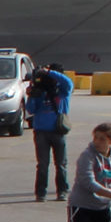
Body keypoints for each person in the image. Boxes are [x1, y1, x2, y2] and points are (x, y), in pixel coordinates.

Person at [26, 63, 74, 201]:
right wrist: (32, 95)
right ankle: (41, 193)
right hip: (41, 131)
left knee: (61, 164)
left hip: (58, 130)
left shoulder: (63, 91)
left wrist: (47, 72)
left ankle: (62, 191)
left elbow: (67, 82)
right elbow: (30, 109)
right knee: (42, 164)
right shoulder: (40, 91)